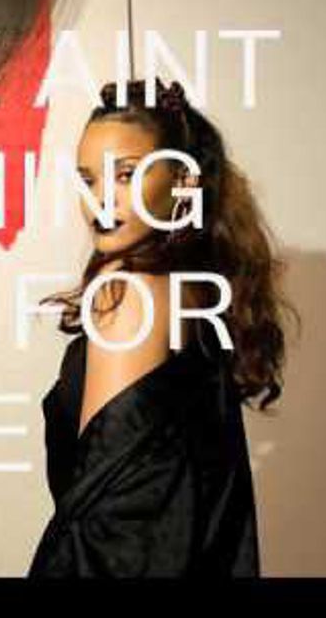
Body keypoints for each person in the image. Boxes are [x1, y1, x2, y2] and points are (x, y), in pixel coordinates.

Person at [28, 79, 299, 577]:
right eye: (88, 179)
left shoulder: (128, 291)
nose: (100, 199)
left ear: (183, 181)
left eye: (126, 174)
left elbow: (108, 519)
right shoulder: (196, 289)